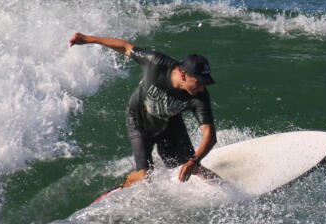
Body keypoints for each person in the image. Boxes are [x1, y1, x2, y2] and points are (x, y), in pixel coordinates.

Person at [69, 33, 217, 188]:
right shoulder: (156, 63)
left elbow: (210, 135)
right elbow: (126, 48)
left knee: (194, 168)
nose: (202, 87)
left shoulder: (200, 96)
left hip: (169, 123)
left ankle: (230, 191)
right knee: (144, 174)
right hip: (138, 119)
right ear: (183, 74)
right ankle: (121, 189)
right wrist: (87, 39)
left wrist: (193, 161)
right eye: (199, 82)